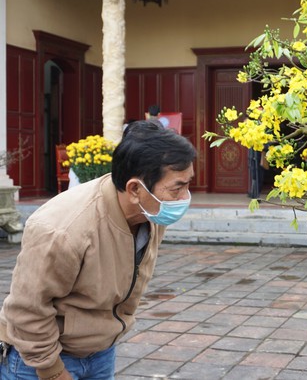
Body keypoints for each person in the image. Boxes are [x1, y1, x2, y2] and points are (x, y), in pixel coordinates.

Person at [0, 120, 196, 380]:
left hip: (101, 352)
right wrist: (52, 370)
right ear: (135, 189)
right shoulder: (63, 229)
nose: (186, 197)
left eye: (188, 184)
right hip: (42, 360)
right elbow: (28, 310)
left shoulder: (151, 213)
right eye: (178, 188)